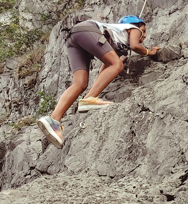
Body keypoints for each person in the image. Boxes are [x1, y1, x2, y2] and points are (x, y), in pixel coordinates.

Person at [38, 15, 160, 149]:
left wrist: (115, 62)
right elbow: (135, 46)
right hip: (87, 30)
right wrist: (149, 52)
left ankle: (53, 120)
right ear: (134, 27)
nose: (144, 35)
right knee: (116, 65)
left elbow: (106, 70)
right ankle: (89, 99)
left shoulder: (116, 40)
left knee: (80, 83)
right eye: (144, 30)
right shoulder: (133, 28)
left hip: (74, 39)